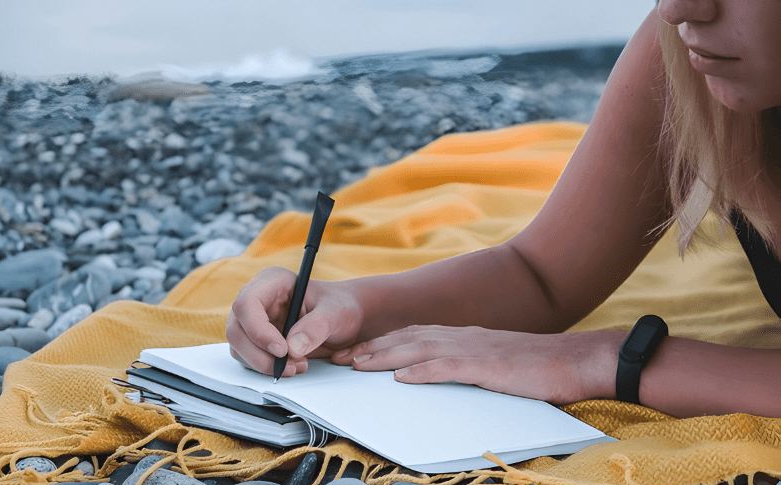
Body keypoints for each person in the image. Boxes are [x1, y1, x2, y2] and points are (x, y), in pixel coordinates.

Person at [226, 0, 781, 419]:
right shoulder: (682, 57)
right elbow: (541, 275)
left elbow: (569, 329)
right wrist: (352, 307)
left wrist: (604, 359)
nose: (679, 8)